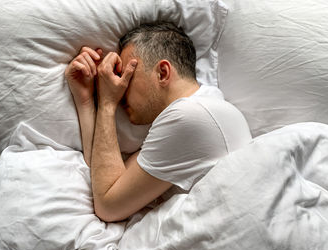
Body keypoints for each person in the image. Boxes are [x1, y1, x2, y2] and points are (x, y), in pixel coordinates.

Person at [65, 22, 251, 222]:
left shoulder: (189, 117)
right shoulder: (205, 107)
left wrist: (107, 102)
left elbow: (108, 205)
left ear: (162, 73)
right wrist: (85, 101)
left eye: (128, 76)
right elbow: (108, 177)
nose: (120, 87)